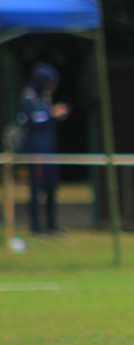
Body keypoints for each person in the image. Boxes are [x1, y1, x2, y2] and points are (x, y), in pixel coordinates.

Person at [17, 63, 69, 234]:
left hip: (49, 149)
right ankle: (36, 226)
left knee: (52, 185)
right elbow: (30, 120)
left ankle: (52, 224)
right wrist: (52, 114)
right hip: (36, 150)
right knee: (36, 187)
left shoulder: (45, 97)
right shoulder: (29, 97)